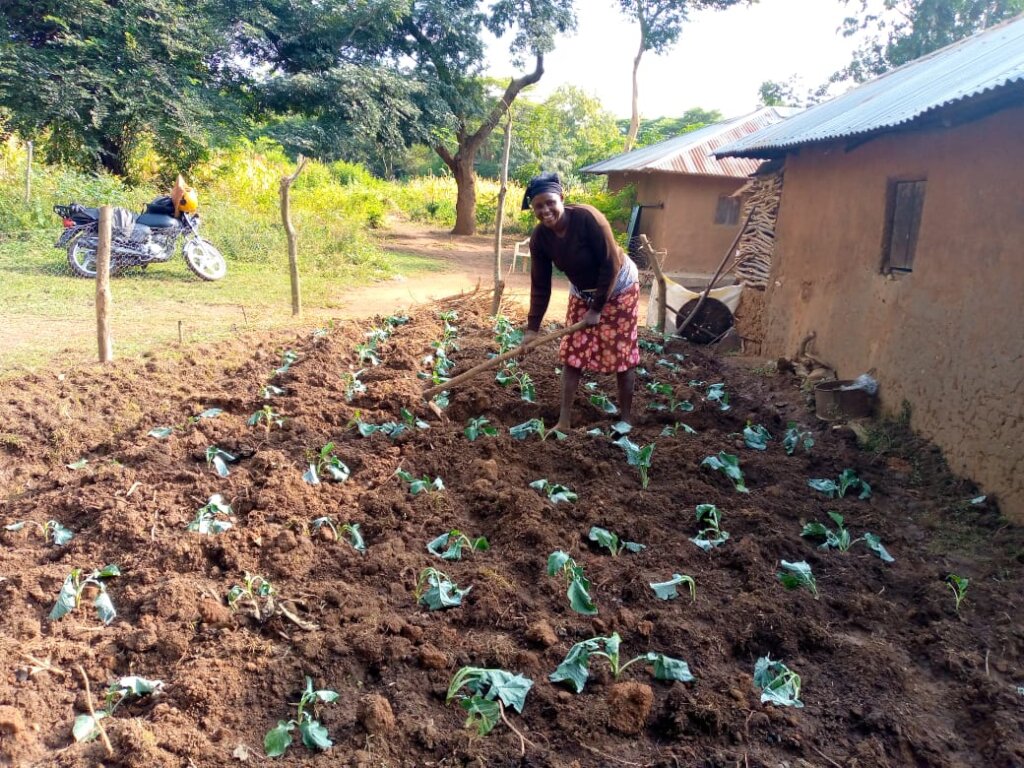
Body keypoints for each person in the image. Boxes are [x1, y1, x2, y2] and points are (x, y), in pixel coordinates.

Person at [518, 172, 640, 432]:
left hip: (619, 287)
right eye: (538, 206)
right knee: (572, 354)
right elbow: (540, 285)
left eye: (550, 202)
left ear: (562, 198)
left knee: (622, 353)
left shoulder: (588, 219)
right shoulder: (540, 238)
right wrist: (532, 329)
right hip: (582, 293)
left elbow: (611, 264)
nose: (545, 210)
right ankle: (564, 421)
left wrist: (597, 308)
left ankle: (626, 419)